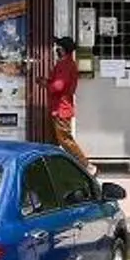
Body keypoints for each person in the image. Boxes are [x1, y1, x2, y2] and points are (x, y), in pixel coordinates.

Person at [45, 36, 88, 169]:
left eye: (58, 47)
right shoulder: (65, 63)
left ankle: (86, 165)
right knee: (55, 139)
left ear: (63, 50)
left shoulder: (66, 65)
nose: (56, 49)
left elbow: (58, 86)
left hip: (61, 108)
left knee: (65, 140)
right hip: (58, 106)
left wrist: (46, 84)